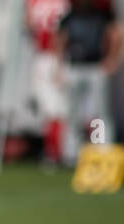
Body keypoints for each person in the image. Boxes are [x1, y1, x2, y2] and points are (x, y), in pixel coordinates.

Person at [56, 0, 124, 165]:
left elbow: (116, 34)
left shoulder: (101, 15)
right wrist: (59, 66)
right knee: (72, 114)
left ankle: (102, 150)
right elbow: (60, 39)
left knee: (100, 113)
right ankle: (71, 154)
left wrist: (112, 59)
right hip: (75, 66)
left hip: (95, 66)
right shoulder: (70, 16)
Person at [28, 0, 71, 169]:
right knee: (52, 109)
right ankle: (54, 153)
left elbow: (61, 33)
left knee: (59, 109)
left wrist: (58, 63)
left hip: (52, 58)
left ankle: (59, 152)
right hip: (45, 57)